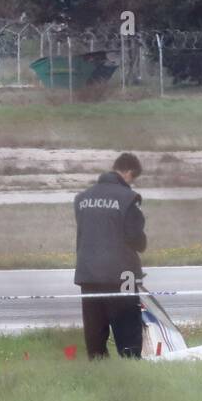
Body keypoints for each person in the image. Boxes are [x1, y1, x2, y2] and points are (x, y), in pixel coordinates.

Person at [73, 153, 146, 359]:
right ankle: (131, 367)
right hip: (122, 275)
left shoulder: (82, 198)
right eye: (133, 178)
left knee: (95, 329)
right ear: (129, 173)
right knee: (128, 327)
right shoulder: (128, 198)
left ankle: (98, 367)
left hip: (88, 274)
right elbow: (136, 239)